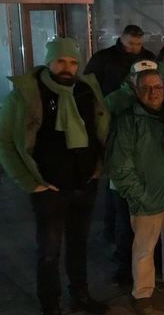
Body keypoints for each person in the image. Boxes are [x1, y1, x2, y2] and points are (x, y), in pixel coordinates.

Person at [0, 37, 110, 315]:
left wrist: (97, 169)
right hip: (47, 188)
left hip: (84, 183)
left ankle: (80, 296)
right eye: (61, 60)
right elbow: (5, 142)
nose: (67, 67)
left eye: (73, 62)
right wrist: (29, 183)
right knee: (49, 252)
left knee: (78, 246)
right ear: (48, 61)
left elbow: (100, 129)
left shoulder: (86, 90)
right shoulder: (27, 95)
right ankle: (51, 305)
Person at [108, 69, 164, 315]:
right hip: (147, 198)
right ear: (137, 91)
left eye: (158, 87)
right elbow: (120, 165)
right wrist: (139, 194)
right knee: (143, 249)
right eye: (146, 88)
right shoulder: (128, 121)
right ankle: (142, 292)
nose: (153, 93)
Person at [85, 24, 156, 96]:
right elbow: (89, 85)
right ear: (122, 39)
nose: (134, 48)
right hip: (111, 104)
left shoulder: (149, 58)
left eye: (139, 44)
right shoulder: (103, 57)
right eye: (131, 43)